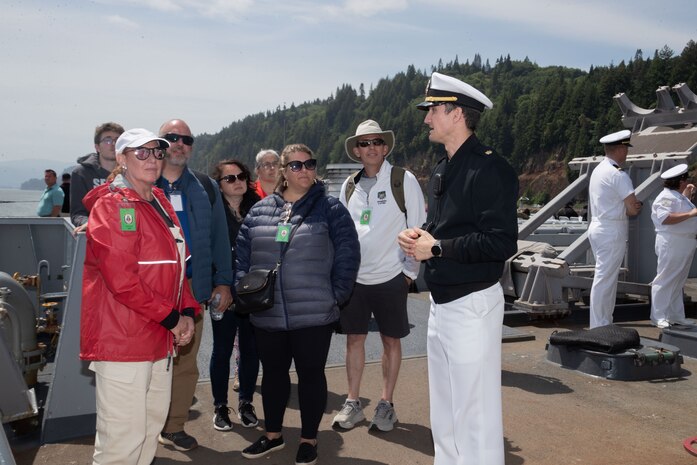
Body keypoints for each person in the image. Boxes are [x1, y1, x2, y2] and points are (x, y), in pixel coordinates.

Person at [397, 72, 518, 465]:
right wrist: (422, 236)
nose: (426, 119)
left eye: (432, 110)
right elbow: (446, 228)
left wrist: (438, 248)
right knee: (446, 410)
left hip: (472, 304)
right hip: (443, 302)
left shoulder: (489, 169)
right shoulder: (442, 168)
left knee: (475, 412)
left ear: (456, 113)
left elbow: (500, 243)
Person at [79, 128, 199, 465]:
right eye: (141, 153)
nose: (152, 160)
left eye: (157, 153)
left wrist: (187, 308)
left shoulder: (158, 201)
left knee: (148, 428)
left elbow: (177, 265)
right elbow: (123, 281)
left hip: (158, 337)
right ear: (121, 159)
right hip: (123, 340)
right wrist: (173, 318)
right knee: (122, 439)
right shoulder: (113, 206)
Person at [236, 144, 360, 465]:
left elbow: (348, 254)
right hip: (267, 313)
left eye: (309, 164)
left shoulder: (331, 208)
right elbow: (242, 256)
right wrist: (245, 292)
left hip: (315, 313)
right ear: (282, 171)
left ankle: (308, 439)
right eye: (295, 165)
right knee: (274, 376)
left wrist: (336, 295)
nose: (304, 170)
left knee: (310, 376)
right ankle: (273, 435)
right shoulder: (260, 210)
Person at [333, 120, 426, 432]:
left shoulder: (403, 180)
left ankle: (386, 404)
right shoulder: (349, 185)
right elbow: (344, 234)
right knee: (354, 340)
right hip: (356, 279)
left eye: (376, 142)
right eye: (364, 143)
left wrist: (408, 275)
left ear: (385, 148)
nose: (370, 147)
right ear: (357, 151)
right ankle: (353, 403)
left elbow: (419, 228)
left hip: (391, 277)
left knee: (390, 341)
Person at [155, 119, 233, 451]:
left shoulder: (204, 186)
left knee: (186, 362)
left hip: (192, 288)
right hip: (153, 292)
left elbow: (219, 239)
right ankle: (145, 430)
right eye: (172, 137)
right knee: (150, 364)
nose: (180, 143)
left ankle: (173, 427)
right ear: (160, 143)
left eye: (186, 139)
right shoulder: (142, 181)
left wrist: (224, 283)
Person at [209, 159, 261, 431]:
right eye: (230, 178)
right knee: (222, 350)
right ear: (219, 185)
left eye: (241, 176)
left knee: (252, 351)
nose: (238, 181)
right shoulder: (211, 212)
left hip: (252, 292)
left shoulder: (258, 208)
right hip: (223, 291)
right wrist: (218, 284)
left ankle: (246, 402)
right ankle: (220, 406)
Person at [587, 129, 642, 328]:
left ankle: (603, 322)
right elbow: (632, 209)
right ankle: (599, 324)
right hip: (611, 229)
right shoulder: (618, 175)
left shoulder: (599, 169)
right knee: (605, 279)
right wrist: (636, 206)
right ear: (620, 149)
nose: (627, 153)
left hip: (599, 226)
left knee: (605, 278)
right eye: (626, 149)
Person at [650, 163, 697, 328]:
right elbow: (665, 218)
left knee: (678, 280)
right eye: (685, 179)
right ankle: (658, 316)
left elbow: (679, 207)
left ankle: (675, 315)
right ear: (680, 181)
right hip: (672, 241)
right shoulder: (665, 197)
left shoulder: (678, 196)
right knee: (665, 279)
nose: (687, 182)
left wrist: (688, 195)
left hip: (684, 241)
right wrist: (691, 213)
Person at [71, 122, 125, 227]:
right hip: (96, 232)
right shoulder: (81, 173)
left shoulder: (131, 172)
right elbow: (78, 213)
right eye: (107, 140)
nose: (113, 144)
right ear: (97, 147)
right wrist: (89, 224)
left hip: (127, 231)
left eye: (117, 140)